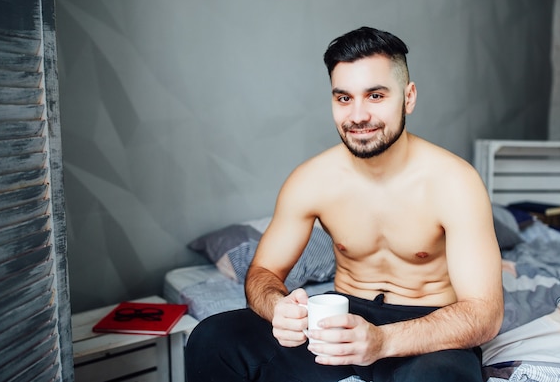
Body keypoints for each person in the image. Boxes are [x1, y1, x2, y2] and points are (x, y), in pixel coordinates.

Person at [185, 26, 504, 382]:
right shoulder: (312, 179)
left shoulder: (455, 181)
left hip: (426, 332)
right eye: (344, 98)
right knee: (211, 338)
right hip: (337, 324)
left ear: (408, 97)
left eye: (376, 96)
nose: (358, 115)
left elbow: (484, 314)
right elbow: (263, 273)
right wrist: (276, 307)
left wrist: (382, 340)